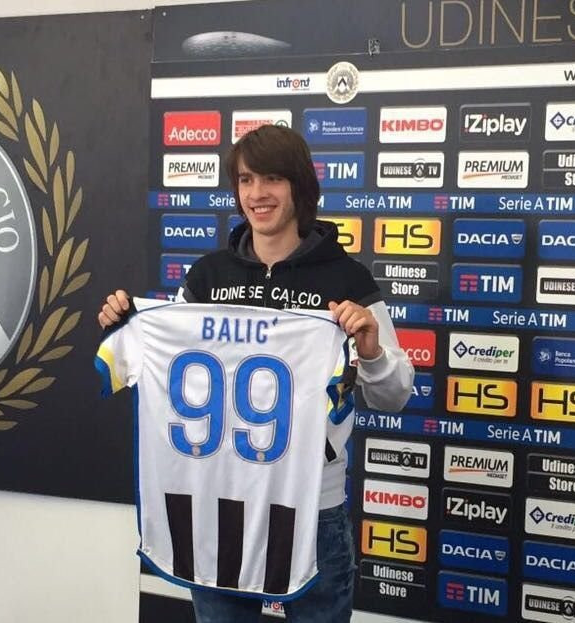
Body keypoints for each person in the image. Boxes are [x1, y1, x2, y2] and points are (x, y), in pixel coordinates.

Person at [98, 124, 413, 623]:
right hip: (219, 500)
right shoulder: (207, 276)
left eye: (271, 179)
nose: (257, 194)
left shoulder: (347, 279)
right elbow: (167, 369)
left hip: (312, 507)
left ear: (299, 187)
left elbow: (394, 396)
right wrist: (128, 324)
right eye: (246, 180)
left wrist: (372, 352)